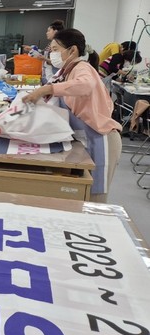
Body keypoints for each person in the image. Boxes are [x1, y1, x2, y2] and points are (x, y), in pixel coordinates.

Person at [22, 28, 121, 203]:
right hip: (87, 139)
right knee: (82, 196)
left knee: (94, 199)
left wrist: (47, 89)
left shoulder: (82, 68)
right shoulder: (66, 72)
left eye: (55, 50)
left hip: (102, 139)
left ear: (72, 50)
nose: (52, 55)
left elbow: (85, 85)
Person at [25, 19, 65, 84]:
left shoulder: (60, 44)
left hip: (54, 75)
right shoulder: (50, 43)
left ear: (55, 31)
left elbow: (59, 62)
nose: (46, 33)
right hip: (46, 74)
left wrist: (45, 59)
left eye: (49, 31)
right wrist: (31, 50)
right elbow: (43, 54)